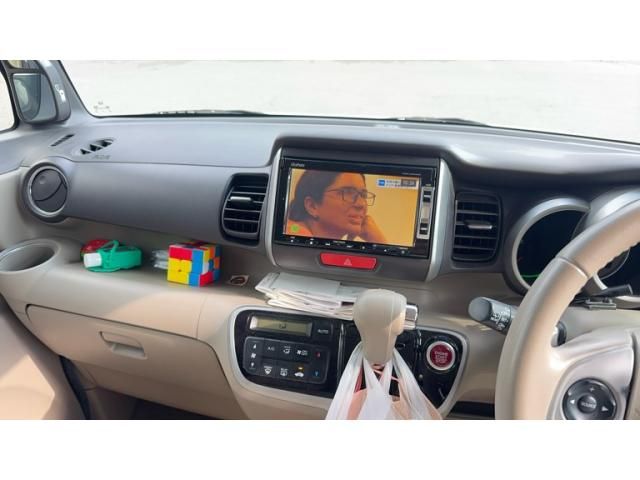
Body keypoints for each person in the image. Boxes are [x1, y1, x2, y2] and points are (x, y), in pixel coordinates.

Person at [286, 170, 387, 243]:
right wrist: (380, 244)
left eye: (363, 195)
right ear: (312, 206)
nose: (361, 204)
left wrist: (378, 242)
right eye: (347, 192)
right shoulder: (294, 233)